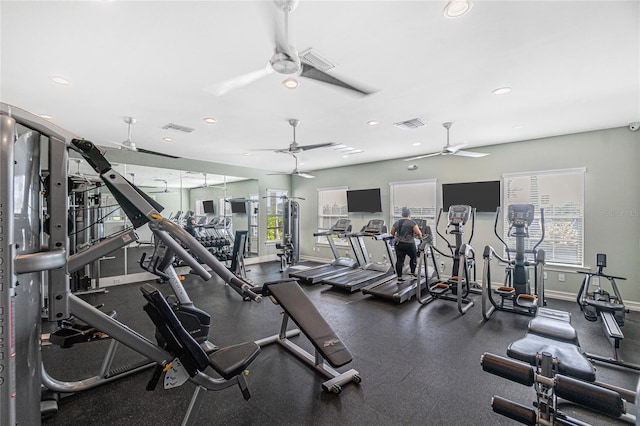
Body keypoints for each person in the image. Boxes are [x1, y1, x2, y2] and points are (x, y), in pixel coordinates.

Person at [390, 207, 423, 281]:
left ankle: (399, 277)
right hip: (409, 244)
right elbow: (418, 233)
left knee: (399, 260)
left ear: (402, 214)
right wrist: (420, 237)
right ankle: (412, 274)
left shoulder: (397, 222)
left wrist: (398, 236)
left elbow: (392, 232)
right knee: (413, 258)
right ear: (409, 214)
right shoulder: (412, 223)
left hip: (398, 244)